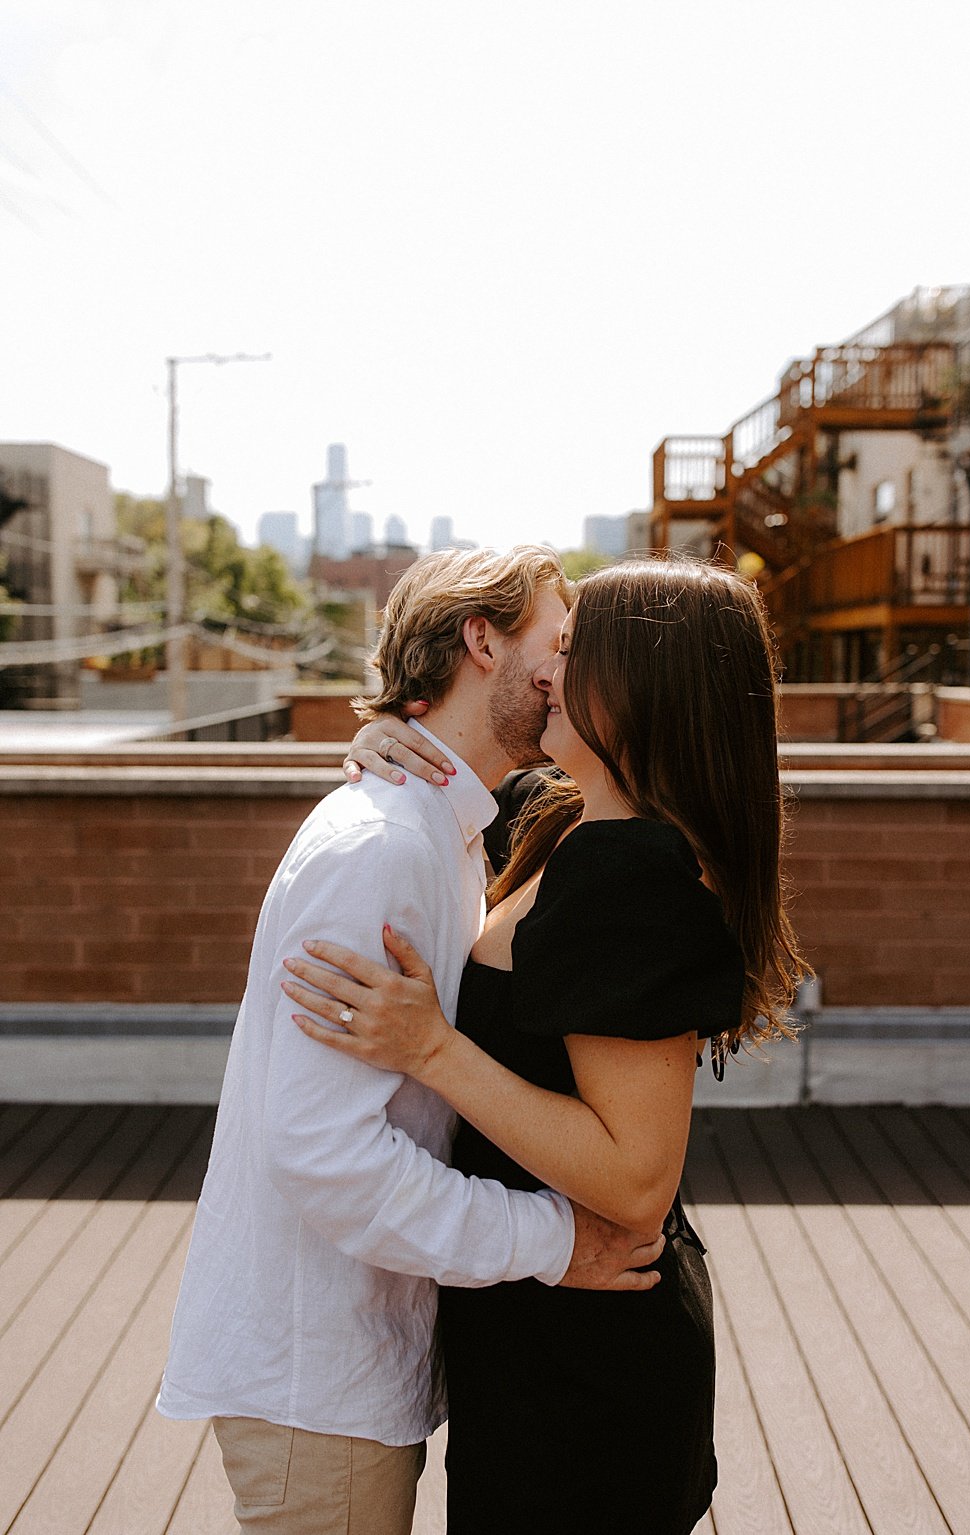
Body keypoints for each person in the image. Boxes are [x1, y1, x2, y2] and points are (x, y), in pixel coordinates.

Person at [279, 557, 809, 1535]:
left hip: (588, 1368)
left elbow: (638, 1175)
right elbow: (466, 783)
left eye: (575, 649)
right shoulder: (564, 818)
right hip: (534, 1337)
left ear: (637, 683)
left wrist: (435, 1051)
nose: (550, 670)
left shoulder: (629, 871)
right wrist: (393, 740)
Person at [157, 545, 666, 1535]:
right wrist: (555, 1241)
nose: (574, 668)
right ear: (483, 640)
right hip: (317, 1373)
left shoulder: (442, 825)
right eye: (558, 641)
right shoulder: (383, 845)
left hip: (354, 1359)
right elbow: (325, 1152)